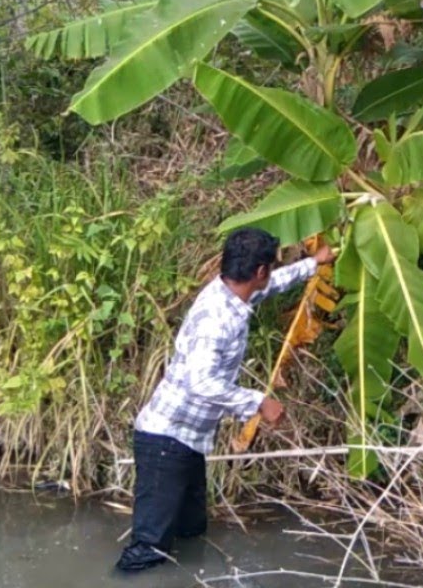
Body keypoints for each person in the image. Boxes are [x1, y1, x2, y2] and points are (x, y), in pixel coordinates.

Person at [115, 227, 334, 572]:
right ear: (258, 271)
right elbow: (201, 381)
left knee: (191, 532)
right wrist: (259, 401)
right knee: (147, 549)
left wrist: (313, 265)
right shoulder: (217, 319)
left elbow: (271, 286)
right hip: (164, 441)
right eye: (270, 267)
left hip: (187, 440)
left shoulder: (233, 294)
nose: (271, 273)